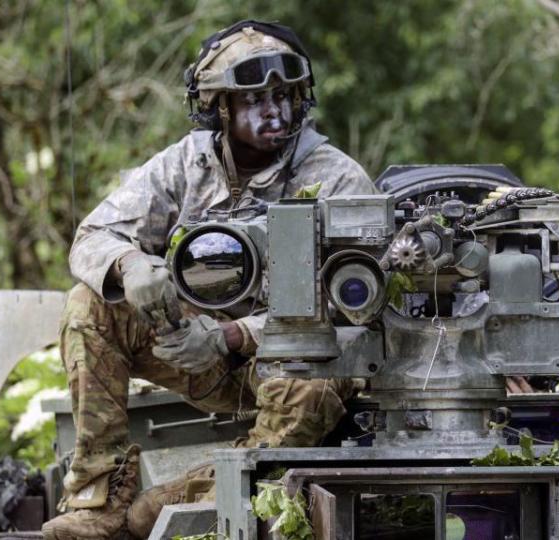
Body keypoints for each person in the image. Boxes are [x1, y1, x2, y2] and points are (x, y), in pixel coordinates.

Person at [41, 20, 377, 540]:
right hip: (193, 357)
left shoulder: (336, 179)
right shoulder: (186, 164)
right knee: (90, 305)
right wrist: (131, 267)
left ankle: (180, 503)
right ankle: (99, 497)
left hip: (292, 369)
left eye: (284, 95)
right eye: (254, 99)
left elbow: (354, 305)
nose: (275, 111)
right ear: (220, 107)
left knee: (310, 381)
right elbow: (91, 236)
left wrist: (232, 336)